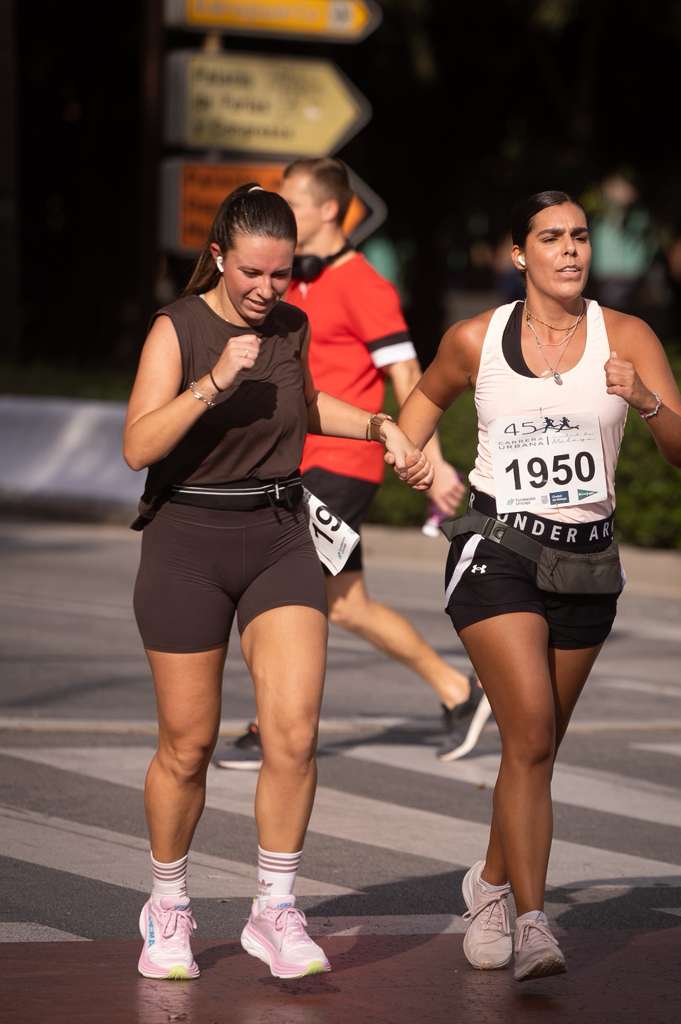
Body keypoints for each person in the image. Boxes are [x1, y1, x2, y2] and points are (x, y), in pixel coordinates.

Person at [123, 183, 432, 982]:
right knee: (187, 747)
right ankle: (167, 907)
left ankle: (275, 911)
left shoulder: (292, 325)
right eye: (253, 274)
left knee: (293, 732)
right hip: (186, 541)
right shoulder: (178, 327)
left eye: (282, 275)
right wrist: (213, 382)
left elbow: (304, 403)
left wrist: (377, 424)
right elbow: (137, 445)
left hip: (279, 535)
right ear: (220, 257)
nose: (268, 291)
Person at [395, 190, 681, 981]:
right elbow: (414, 414)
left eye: (581, 237)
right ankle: (535, 924)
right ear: (518, 253)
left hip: (590, 563)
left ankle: (491, 884)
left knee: (538, 750)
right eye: (551, 238)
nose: (570, 250)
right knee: (528, 734)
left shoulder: (626, 335)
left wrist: (645, 398)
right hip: (499, 553)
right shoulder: (476, 340)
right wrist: (429, 475)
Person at [213, 158, 490, 771]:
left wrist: (429, 463)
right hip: (295, 460)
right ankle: (457, 691)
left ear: (329, 210)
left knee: (275, 588)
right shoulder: (291, 282)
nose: (281, 210)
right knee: (345, 603)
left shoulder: (364, 284)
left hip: (340, 464)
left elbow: (408, 376)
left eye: (292, 201)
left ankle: (271, 726)